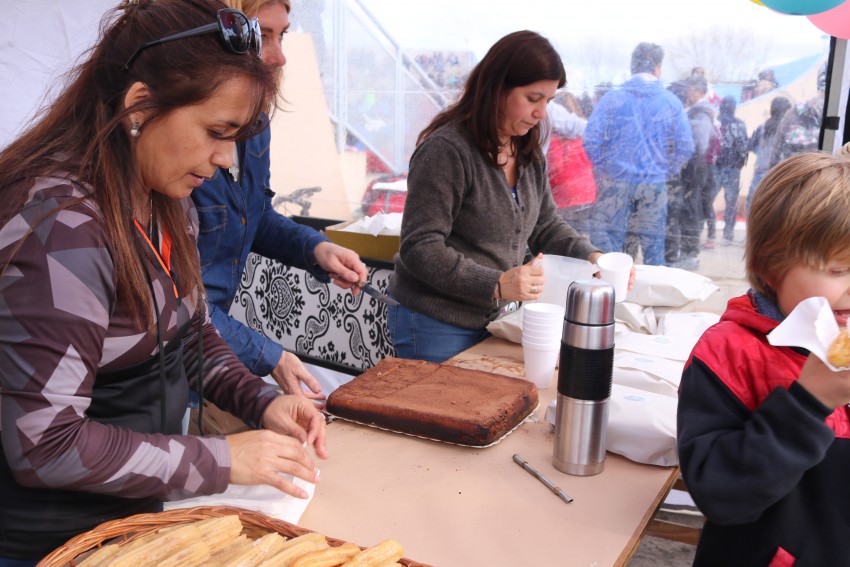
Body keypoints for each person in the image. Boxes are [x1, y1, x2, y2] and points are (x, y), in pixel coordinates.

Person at [0, 1, 328, 563]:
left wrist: (260, 401)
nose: (226, 160)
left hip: (127, 524)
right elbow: (45, 445)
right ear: (139, 105)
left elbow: (189, 334)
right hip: (49, 546)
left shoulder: (165, 201)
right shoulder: (63, 228)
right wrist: (222, 459)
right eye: (216, 132)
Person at [387, 30, 610, 363]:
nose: (541, 113)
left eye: (548, 101)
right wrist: (497, 283)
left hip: (495, 319)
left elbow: (545, 225)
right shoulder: (446, 151)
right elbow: (420, 247)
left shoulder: (527, 150)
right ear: (497, 88)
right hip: (435, 323)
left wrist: (592, 257)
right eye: (533, 99)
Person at [677, 152, 850, 566]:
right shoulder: (728, 354)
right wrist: (809, 403)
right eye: (838, 269)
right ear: (771, 267)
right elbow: (719, 494)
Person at [193, 0, 368, 403]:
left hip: (207, 354)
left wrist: (316, 247)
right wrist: (269, 357)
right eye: (262, 36)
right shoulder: (176, 149)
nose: (279, 56)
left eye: (282, 34)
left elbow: (252, 217)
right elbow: (178, 302)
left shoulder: (256, 127)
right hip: (170, 357)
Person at [583, 42, 694, 266]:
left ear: (632, 66)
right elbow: (685, 146)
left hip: (616, 184)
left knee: (610, 250)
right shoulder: (670, 102)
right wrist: (665, 170)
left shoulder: (612, 99)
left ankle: (613, 294)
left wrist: (607, 169)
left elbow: (591, 139)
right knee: (653, 249)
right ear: (657, 67)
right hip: (653, 184)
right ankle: (653, 296)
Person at [746, 96, 791, 214]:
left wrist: (761, 151)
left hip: (760, 171)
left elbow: (750, 145)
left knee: (753, 205)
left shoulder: (762, 127)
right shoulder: (788, 128)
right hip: (779, 172)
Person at [715, 95, 749, 245]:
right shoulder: (739, 124)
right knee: (731, 201)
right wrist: (740, 163)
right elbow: (743, 147)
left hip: (716, 166)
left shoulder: (717, 123)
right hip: (733, 167)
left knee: (706, 198)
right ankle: (727, 235)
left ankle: (707, 232)